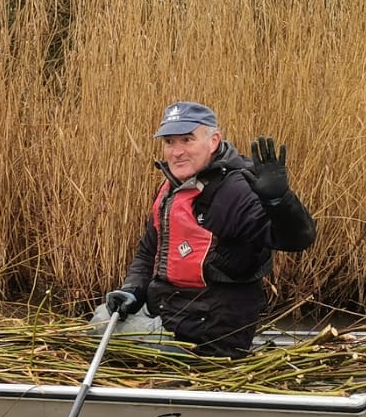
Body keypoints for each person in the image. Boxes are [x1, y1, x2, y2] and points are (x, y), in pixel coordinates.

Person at [105, 101, 316, 357]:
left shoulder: (235, 190)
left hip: (208, 335)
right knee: (103, 317)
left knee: (100, 329)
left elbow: (297, 239)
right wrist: (131, 290)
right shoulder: (172, 188)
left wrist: (278, 201)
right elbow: (148, 253)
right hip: (166, 313)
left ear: (214, 141)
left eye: (187, 140)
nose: (177, 152)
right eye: (169, 142)